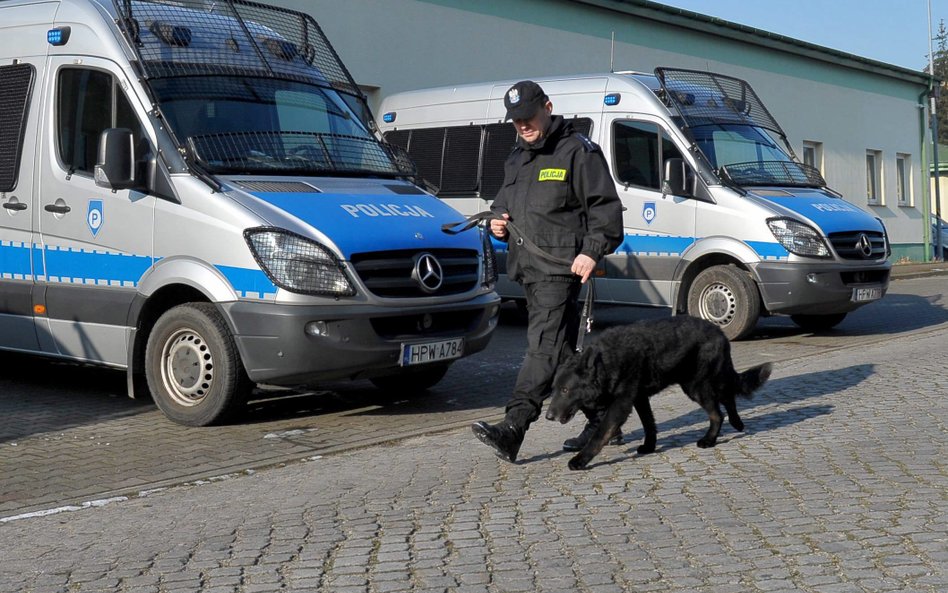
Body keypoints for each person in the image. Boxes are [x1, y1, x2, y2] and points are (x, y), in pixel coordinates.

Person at [471, 80, 624, 462]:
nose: (522, 125)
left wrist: (592, 251)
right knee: (565, 355)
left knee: (542, 349)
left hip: (559, 271)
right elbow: (502, 204)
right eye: (515, 120)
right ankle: (606, 419)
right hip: (527, 270)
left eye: (528, 116)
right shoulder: (516, 158)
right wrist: (497, 222)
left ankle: (514, 426)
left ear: (548, 107)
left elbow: (607, 211)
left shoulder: (578, 152)